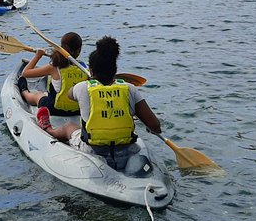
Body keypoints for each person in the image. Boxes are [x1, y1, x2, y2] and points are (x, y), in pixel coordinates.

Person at [38, 37, 162, 167]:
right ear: (115, 70)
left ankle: (49, 130)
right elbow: (155, 126)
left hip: (93, 150)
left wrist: (90, 81)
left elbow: (70, 94)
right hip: (127, 150)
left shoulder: (82, 87)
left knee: (70, 127)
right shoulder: (129, 89)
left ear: (91, 71)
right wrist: (151, 128)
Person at [18, 32, 87, 116]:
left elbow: (25, 73)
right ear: (79, 50)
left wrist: (38, 55)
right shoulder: (85, 68)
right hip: (78, 110)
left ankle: (24, 92)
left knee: (38, 95)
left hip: (54, 109)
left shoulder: (54, 67)